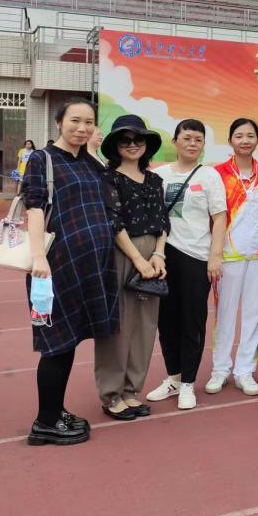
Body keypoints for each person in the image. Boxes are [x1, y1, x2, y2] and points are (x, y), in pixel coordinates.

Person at [24, 98, 117, 446]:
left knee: (70, 341)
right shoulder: (42, 159)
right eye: (75, 120)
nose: (82, 128)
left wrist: (94, 150)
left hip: (89, 267)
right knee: (56, 344)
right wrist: (39, 257)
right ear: (59, 122)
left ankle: (55, 410)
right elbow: (34, 208)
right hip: (55, 267)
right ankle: (45, 423)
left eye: (89, 122)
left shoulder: (87, 161)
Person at [146, 119, 227, 410]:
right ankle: (174, 378)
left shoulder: (210, 175)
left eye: (198, 140)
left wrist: (215, 255)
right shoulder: (159, 175)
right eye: (187, 138)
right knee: (166, 321)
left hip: (196, 256)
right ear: (175, 141)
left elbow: (219, 217)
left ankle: (189, 383)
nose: (192, 144)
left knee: (192, 321)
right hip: (163, 256)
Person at [95, 115, 169, 421]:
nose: (132, 144)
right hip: (122, 254)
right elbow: (113, 222)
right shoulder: (108, 178)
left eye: (138, 139)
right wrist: (138, 259)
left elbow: (163, 221)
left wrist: (159, 255)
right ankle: (111, 394)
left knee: (145, 326)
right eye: (125, 140)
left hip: (153, 255)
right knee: (119, 326)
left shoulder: (154, 180)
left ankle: (130, 391)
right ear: (115, 145)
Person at [207, 118, 258, 398]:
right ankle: (220, 369)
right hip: (227, 256)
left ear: (257, 139)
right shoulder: (217, 174)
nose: (245, 140)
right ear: (230, 140)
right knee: (225, 313)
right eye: (239, 135)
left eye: (250, 136)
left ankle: (245, 370)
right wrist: (214, 254)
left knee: (253, 313)